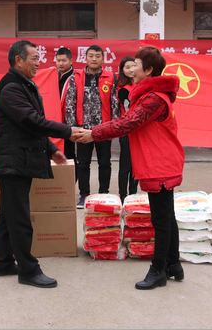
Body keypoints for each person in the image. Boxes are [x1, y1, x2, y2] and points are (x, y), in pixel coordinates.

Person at [75, 46, 185, 290]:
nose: (131, 69)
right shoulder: (149, 96)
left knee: (161, 219)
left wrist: (94, 133)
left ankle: (158, 270)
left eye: (135, 65)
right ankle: (174, 264)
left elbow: (127, 123)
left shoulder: (154, 98)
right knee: (167, 216)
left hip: (160, 163)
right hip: (160, 161)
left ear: (149, 70)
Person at [0, 40, 82, 288]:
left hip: (18, 157)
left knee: (8, 214)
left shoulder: (22, 84)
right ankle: (28, 270)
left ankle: (2, 262)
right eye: (34, 58)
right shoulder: (11, 87)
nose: (39, 63)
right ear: (18, 60)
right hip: (13, 161)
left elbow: (28, 126)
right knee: (19, 218)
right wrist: (67, 131)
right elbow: (31, 121)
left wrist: (51, 149)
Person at [63, 45, 120, 208]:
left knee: (105, 162)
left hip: (104, 128)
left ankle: (104, 193)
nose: (94, 59)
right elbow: (70, 103)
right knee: (83, 163)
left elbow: (115, 103)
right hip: (82, 128)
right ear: (85, 58)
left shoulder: (111, 77)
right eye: (91, 56)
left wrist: (114, 127)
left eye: (97, 56)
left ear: (103, 58)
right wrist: (72, 128)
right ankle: (84, 195)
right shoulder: (76, 77)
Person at [116, 56, 139, 202]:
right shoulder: (122, 89)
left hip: (139, 131)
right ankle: (123, 196)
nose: (131, 70)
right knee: (125, 164)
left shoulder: (141, 84)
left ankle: (133, 195)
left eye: (133, 66)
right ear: (122, 70)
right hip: (126, 130)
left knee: (136, 165)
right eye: (127, 67)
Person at [55, 47, 77, 170]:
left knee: (69, 152)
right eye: (58, 61)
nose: (61, 63)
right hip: (54, 119)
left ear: (71, 61)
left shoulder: (76, 77)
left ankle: (71, 179)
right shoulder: (53, 75)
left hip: (69, 120)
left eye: (64, 60)